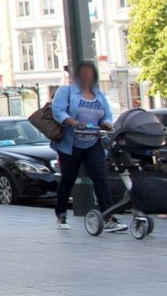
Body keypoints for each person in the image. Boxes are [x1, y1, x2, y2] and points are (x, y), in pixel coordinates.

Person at [51, 60, 122, 232]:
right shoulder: (66, 91)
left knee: (101, 177)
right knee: (68, 178)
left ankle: (108, 216)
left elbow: (107, 114)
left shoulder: (98, 95)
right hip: (71, 143)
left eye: (90, 74)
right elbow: (58, 111)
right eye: (83, 74)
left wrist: (106, 124)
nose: (87, 77)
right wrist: (73, 122)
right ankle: (61, 212)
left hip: (92, 141)